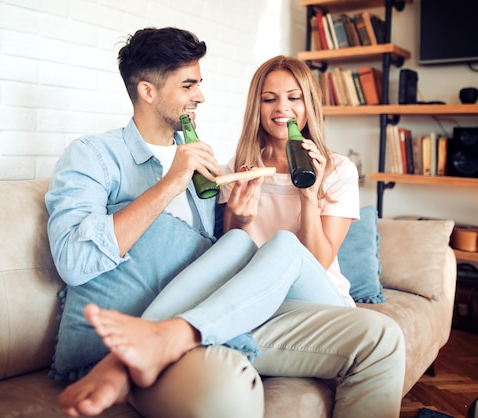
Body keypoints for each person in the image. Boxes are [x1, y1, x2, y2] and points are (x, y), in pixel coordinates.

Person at [46, 27, 406, 418]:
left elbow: (229, 259)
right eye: (189, 85)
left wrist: (301, 198)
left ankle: (153, 344)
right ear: (149, 92)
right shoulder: (98, 156)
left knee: (263, 246)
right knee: (379, 333)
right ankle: (146, 347)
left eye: (199, 84)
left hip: (278, 295)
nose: (200, 95)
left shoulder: (212, 166)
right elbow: (74, 261)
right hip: (234, 307)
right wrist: (193, 194)